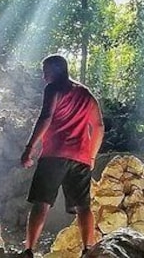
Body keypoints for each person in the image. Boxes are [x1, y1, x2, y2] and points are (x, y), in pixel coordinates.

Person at [20, 54, 104, 258]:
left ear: (57, 71)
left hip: (54, 155)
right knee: (83, 206)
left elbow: (46, 117)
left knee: (42, 202)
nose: (43, 76)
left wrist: (30, 147)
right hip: (81, 158)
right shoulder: (86, 94)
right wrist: (91, 157)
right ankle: (87, 250)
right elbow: (99, 126)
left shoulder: (54, 88)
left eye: (46, 71)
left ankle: (29, 250)